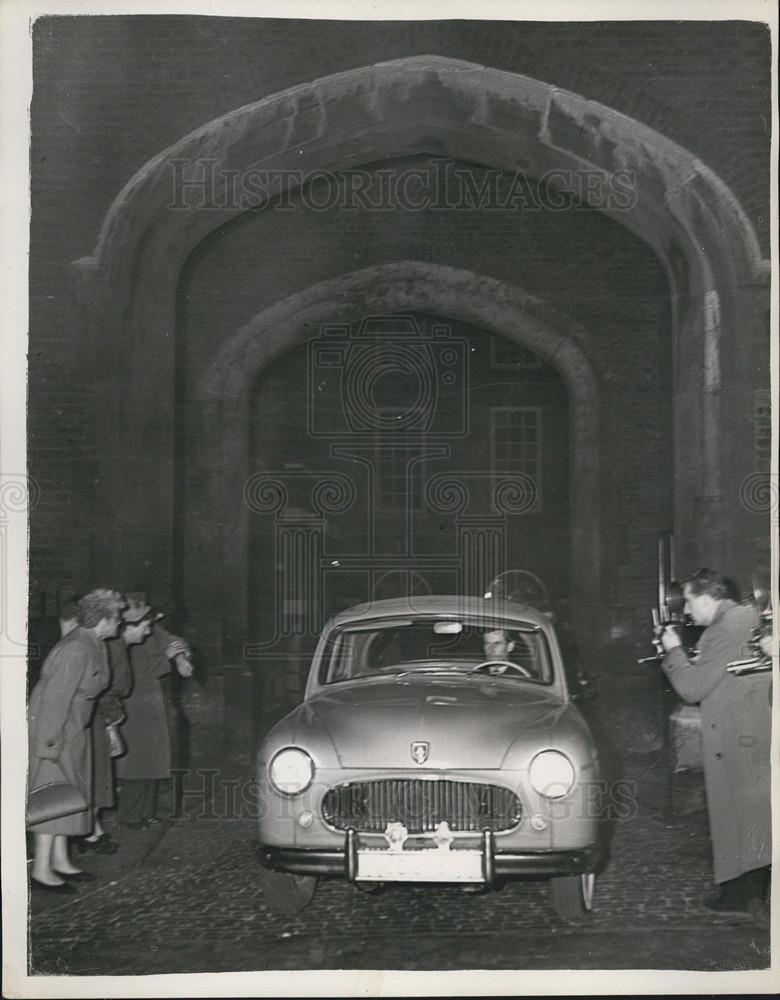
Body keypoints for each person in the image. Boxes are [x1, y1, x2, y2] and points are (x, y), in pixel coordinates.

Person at [660, 568, 771, 917]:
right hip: (752, 734)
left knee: (732, 817)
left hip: (734, 739)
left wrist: (674, 652)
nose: (688, 612)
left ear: (706, 599)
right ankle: (750, 893)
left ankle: (739, 896)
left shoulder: (720, 631)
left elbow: (691, 689)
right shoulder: (746, 617)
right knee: (752, 816)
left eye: (690, 603)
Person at [27, 589, 125, 893]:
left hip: (75, 728)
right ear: (103, 619)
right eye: (117, 617)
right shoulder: (76, 648)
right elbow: (54, 699)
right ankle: (42, 870)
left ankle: (60, 861)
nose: (120, 622)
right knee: (52, 799)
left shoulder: (95, 643)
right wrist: (48, 746)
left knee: (71, 797)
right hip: (56, 729)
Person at [76, 602, 153, 855]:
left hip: (100, 718)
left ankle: (91, 829)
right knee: (97, 777)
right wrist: (113, 726)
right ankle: (87, 832)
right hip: (98, 719)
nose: (148, 631)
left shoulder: (119, 647)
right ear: (129, 627)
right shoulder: (114, 649)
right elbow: (106, 692)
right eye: (144, 625)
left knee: (100, 777)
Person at [116, 593, 194, 829]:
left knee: (153, 759)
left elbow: (172, 641)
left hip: (152, 700)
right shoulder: (118, 637)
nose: (150, 624)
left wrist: (180, 659)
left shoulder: (152, 629)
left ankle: (148, 811)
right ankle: (130, 816)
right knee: (136, 762)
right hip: (131, 701)